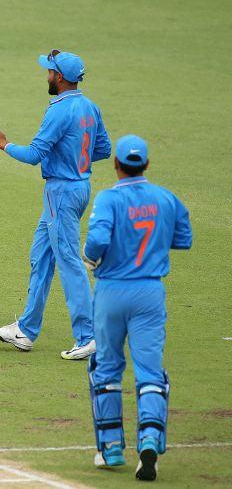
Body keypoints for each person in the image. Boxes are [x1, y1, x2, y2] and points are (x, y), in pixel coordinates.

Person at [0, 49, 111, 359]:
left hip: (61, 193)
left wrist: (3, 144)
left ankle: (88, 335)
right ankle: (26, 331)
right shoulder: (89, 107)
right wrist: (73, 158)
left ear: (60, 78)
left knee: (68, 260)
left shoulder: (58, 110)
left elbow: (33, 155)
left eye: (50, 71)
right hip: (79, 186)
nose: (47, 75)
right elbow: (103, 149)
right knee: (41, 256)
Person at [84, 135, 192, 481]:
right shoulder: (166, 198)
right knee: (150, 371)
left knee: (106, 366)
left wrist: (92, 258)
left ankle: (112, 447)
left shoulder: (109, 198)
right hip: (149, 292)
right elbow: (183, 238)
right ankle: (150, 438)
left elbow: (97, 241)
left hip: (112, 291)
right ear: (146, 164)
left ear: (116, 165)